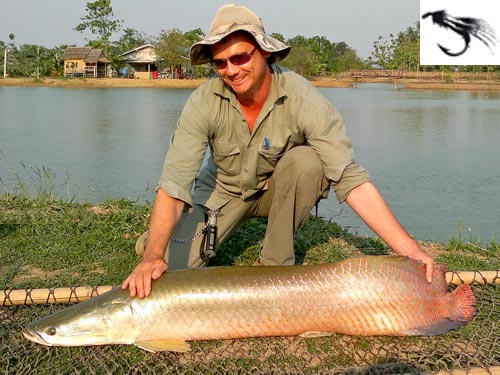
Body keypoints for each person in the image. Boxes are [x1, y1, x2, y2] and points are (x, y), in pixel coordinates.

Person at [122, 4, 434, 298]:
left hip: (277, 189)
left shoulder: (301, 96)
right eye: (221, 62)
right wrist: (153, 256)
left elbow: (348, 177)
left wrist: (409, 249)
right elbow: (175, 182)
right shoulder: (203, 102)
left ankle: (274, 263)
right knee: (169, 271)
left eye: (241, 58)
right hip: (223, 190)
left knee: (308, 161)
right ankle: (155, 242)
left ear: (265, 53)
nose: (231, 70)